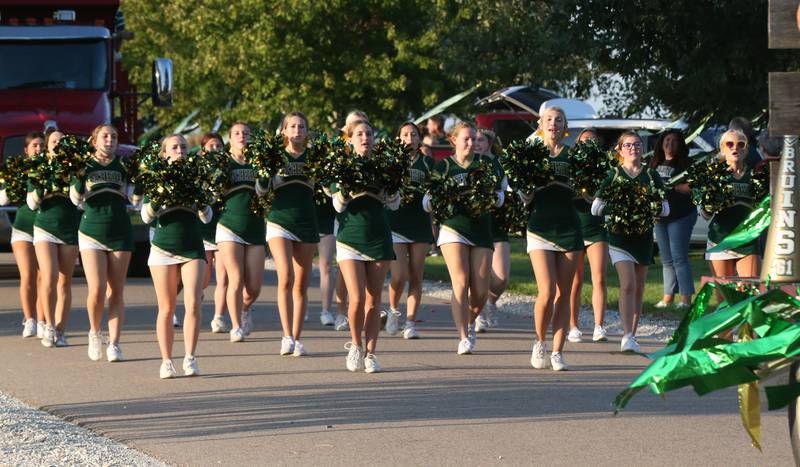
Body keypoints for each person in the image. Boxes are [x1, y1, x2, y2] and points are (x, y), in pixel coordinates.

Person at [423, 121, 504, 355]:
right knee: (460, 281)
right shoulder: (444, 167)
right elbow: (427, 201)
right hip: (453, 228)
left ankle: (469, 321)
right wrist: (439, 199)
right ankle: (463, 336)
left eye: (474, 139)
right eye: (466, 139)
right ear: (454, 141)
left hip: (481, 229)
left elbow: (500, 194)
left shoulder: (487, 165)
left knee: (479, 291)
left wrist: (495, 197)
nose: (471, 143)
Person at [592, 131, 670, 353]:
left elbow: (665, 208)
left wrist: (644, 206)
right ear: (620, 150)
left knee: (639, 287)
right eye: (627, 145)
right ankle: (626, 335)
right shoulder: (613, 175)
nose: (633, 148)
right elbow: (595, 207)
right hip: (619, 237)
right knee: (627, 284)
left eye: (637, 144)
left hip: (643, 237)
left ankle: (632, 335)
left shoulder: (652, 175)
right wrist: (621, 207)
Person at [142, 134, 211, 378]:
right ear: (165, 153)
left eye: (183, 146)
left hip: (193, 247)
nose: (180, 150)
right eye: (174, 147)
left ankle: (190, 357)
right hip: (163, 248)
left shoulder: (197, 176)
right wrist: (158, 200)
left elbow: (207, 216)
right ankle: (167, 361)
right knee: (167, 307)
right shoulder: (156, 176)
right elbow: (145, 216)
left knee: (193, 302)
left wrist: (203, 202)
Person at [334, 119, 400, 373]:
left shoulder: (385, 167)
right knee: (357, 298)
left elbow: (394, 205)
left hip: (379, 237)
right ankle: (355, 345)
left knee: (374, 300)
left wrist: (391, 189)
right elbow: (337, 206)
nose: (365, 138)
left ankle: (371, 354)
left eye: (369, 133)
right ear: (350, 139)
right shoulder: (341, 167)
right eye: (359, 134)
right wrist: (346, 188)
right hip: (350, 237)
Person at [524, 107, 581, 371]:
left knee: (564, 293)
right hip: (540, 227)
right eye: (549, 120)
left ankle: (558, 351)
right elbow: (523, 194)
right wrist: (525, 190)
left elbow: (586, 193)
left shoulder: (573, 156)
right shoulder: (531, 156)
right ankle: (539, 342)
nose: (554, 124)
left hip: (569, 227)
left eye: (559, 120)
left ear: (565, 126)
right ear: (540, 125)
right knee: (546, 291)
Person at [70, 124, 133, 361]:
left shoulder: (125, 167)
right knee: (97, 289)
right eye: (105, 136)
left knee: (116, 290)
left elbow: (135, 199)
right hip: (91, 232)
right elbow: (75, 200)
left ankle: (115, 343)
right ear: (94, 141)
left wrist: (143, 182)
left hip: (120, 232)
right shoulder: (84, 165)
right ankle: (95, 332)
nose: (110, 139)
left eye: (114, 136)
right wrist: (78, 179)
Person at [259, 112, 319, 356]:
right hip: (279, 221)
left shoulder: (315, 158)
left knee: (302, 285)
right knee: (286, 276)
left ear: (306, 132)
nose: (297, 129)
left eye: (301, 126)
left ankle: (297, 337)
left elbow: (327, 187)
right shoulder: (274, 156)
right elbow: (261, 191)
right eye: (292, 126)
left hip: (306, 222)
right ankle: (285, 336)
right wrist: (269, 177)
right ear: (283, 131)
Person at [27, 129, 80, 349]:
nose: (58, 145)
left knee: (65, 280)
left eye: (61, 141)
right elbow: (32, 203)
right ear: (48, 146)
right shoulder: (39, 167)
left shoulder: (75, 167)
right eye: (54, 141)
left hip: (69, 228)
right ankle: (48, 325)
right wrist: (44, 184)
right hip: (44, 227)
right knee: (48, 276)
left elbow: (80, 200)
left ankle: (60, 330)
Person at [216, 122, 264, 342]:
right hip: (229, 225)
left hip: (254, 226)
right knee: (235, 277)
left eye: (245, 133)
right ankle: (235, 326)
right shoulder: (223, 163)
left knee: (253, 286)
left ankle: (245, 308)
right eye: (237, 133)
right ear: (230, 138)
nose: (241, 136)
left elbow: (265, 192)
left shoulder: (259, 162)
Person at [386, 122, 434, 339]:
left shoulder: (428, 163)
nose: (409, 138)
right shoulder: (390, 162)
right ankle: (394, 310)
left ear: (419, 138)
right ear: (399, 138)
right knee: (398, 275)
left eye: (413, 134)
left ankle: (411, 322)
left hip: (419, 223)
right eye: (405, 134)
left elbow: (436, 191)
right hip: (395, 222)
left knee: (416, 275)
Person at [0, 132, 45, 341]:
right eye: (34, 145)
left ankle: (44, 320)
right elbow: (4, 199)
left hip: (46, 229)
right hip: (23, 228)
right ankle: (30, 320)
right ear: (26, 150)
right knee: (28, 275)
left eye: (41, 145)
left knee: (43, 277)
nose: (39, 149)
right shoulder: (19, 170)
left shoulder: (53, 169)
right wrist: (9, 185)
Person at [567, 128, 609, 343]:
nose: (588, 145)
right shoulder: (570, 166)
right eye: (584, 142)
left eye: (592, 142)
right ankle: (573, 326)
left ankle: (599, 326)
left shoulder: (605, 167)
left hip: (596, 229)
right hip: (574, 227)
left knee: (599, 278)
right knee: (575, 281)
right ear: (577, 143)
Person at [705, 130, 761, 278]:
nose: (735, 148)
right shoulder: (715, 175)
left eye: (740, 144)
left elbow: (764, 207)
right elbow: (705, 214)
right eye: (729, 144)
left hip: (747, 239)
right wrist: (712, 201)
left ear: (746, 149)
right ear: (722, 149)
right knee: (725, 296)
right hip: (720, 239)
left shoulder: (755, 175)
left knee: (750, 292)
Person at [651, 129, 696, 310]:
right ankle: (668, 296)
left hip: (681, 215)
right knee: (666, 259)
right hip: (660, 216)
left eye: (674, 141)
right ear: (661, 143)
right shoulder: (654, 163)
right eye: (667, 140)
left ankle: (685, 299)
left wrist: (675, 186)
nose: (670, 144)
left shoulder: (687, 163)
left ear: (680, 145)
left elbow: (692, 186)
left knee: (679, 257)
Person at [473, 128, 509, 332]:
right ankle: (479, 316)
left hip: (496, 223)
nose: (476, 143)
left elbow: (506, 190)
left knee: (501, 277)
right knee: (480, 274)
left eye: (480, 140)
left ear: (489, 142)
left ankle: (490, 302)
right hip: (476, 223)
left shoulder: (499, 163)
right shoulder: (470, 162)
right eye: (473, 140)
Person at [197, 133, 230, 334]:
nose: (216, 150)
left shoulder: (228, 169)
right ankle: (196, 301)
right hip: (204, 228)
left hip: (224, 226)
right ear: (203, 150)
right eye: (211, 146)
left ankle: (219, 317)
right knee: (204, 278)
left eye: (219, 146)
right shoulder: (198, 170)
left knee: (224, 277)